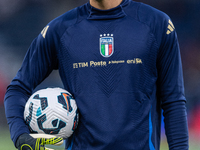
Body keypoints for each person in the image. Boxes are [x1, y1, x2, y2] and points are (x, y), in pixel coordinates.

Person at [4, 0, 189, 149]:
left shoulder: (157, 24)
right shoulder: (59, 30)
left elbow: (173, 100)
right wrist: (20, 135)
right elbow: (17, 89)